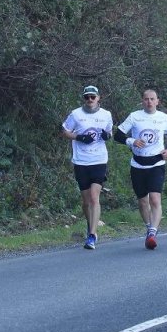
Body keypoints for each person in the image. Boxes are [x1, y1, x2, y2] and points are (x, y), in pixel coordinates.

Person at [116, 88, 167, 250]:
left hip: (156, 164)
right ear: (142, 101)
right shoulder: (134, 116)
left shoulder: (163, 118)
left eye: (152, 99)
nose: (149, 102)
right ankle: (149, 226)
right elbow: (118, 135)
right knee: (142, 201)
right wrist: (131, 141)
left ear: (157, 101)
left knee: (155, 199)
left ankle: (152, 233)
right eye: (146, 99)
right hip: (138, 164)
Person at [61, 85, 113, 250]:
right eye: (87, 97)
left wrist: (107, 135)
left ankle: (92, 235)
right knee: (85, 201)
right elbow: (65, 131)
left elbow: (109, 132)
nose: (90, 100)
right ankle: (90, 224)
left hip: (99, 160)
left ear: (98, 98)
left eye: (93, 97)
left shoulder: (106, 114)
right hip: (81, 161)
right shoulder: (76, 114)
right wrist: (79, 137)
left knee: (93, 197)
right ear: (84, 99)